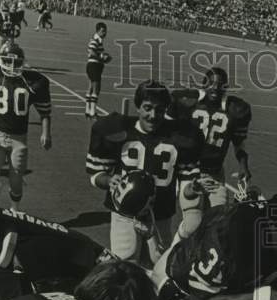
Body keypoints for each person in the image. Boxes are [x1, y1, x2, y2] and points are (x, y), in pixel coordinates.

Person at [86, 80, 204, 262]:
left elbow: (186, 183)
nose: (153, 115)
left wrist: (192, 189)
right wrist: (109, 181)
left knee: (159, 265)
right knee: (125, 263)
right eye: (147, 108)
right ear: (138, 107)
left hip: (160, 213)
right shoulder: (120, 132)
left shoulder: (179, 137)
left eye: (159, 110)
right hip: (125, 213)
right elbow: (96, 175)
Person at [0, 41, 52, 211]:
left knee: (16, 183)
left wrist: (46, 132)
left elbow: (44, 112)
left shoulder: (34, 82)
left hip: (19, 138)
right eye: (8, 61)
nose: (11, 66)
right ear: (1, 60)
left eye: (16, 62)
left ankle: (14, 209)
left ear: (22, 62)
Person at [169, 66, 252, 192]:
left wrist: (243, 166)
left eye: (220, 84)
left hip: (214, 173)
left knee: (220, 209)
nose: (215, 87)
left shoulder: (235, 109)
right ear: (204, 84)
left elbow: (238, 143)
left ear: (225, 87)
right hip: (187, 170)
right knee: (193, 207)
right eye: (211, 83)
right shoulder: (187, 101)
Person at [85, 22, 110, 118]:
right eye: (103, 31)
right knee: (96, 88)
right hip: (93, 65)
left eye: (105, 31)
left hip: (95, 65)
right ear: (98, 31)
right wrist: (102, 58)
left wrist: (105, 57)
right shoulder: (95, 39)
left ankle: (88, 110)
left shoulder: (98, 40)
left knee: (91, 87)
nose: (105, 33)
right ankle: (92, 112)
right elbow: (91, 51)